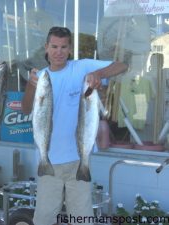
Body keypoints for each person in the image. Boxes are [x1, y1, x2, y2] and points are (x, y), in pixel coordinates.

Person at [21, 26, 128, 225]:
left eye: (63, 47)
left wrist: (98, 73)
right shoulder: (41, 77)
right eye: (54, 46)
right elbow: (26, 109)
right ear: (46, 47)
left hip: (79, 159)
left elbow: (121, 66)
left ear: (70, 49)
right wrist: (30, 85)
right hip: (49, 161)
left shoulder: (82, 67)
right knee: (44, 218)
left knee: (82, 219)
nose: (59, 51)